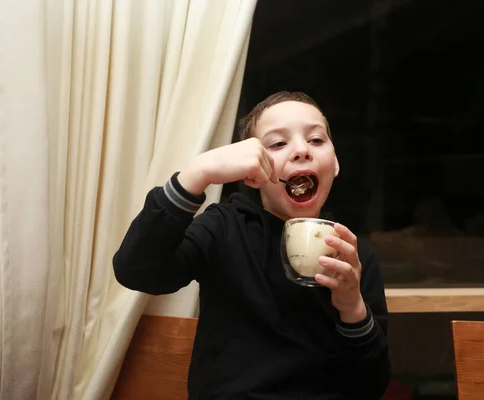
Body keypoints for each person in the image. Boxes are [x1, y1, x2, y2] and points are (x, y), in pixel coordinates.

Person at [113, 91, 391, 399]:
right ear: (252, 173)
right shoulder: (224, 228)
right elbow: (137, 271)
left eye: (315, 140)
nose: (301, 150)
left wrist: (352, 307)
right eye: (277, 143)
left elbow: (371, 386)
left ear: (335, 164)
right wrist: (197, 173)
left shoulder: (353, 256)